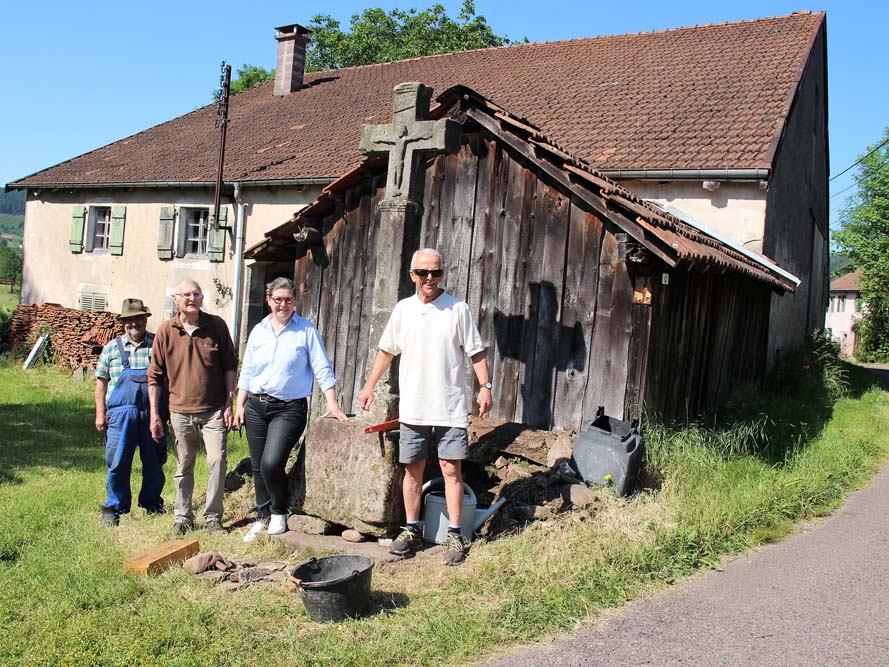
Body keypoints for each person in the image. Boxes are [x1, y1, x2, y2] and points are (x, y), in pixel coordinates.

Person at [357, 248, 492, 566]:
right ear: (412, 275)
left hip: (449, 405)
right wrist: (369, 386)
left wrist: (485, 387)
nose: (430, 278)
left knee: (451, 469)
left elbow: (476, 352)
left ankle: (455, 534)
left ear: (442, 273)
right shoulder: (403, 310)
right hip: (414, 405)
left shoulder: (457, 308)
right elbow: (386, 351)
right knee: (412, 469)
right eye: (423, 272)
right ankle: (411, 529)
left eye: (436, 272)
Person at [234, 277, 349, 542]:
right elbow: (248, 369)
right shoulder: (259, 330)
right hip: (256, 406)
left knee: (271, 462)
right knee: (257, 466)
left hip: (289, 409)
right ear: (269, 300)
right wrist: (239, 404)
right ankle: (262, 517)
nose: (283, 304)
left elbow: (322, 366)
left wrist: (331, 402)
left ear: (295, 301)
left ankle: (279, 511)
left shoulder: (306, 331)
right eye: (278, 299)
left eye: (288, 300)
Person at [148, 278, 238, 534]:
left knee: (217, 461)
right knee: (184, 464)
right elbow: (154, 376)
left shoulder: (216, 326)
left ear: (202, 297)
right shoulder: (166, 331)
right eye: (186, 294)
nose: (192, 299)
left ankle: (213, 518)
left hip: (214, 410)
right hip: (180, 410)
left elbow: (230, 365)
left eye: (196, 294)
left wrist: (229, 402)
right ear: (175, 299)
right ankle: (183, 517)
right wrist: (155, 414)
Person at [95, 298, 167, 526]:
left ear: (145, 320)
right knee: (117, 462)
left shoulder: (158, 345)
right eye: (129, 320)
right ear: (123, 323)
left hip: (152, 413)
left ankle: (152, 503)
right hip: (120, 416)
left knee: (154, 462)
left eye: (138, 318)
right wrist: (100, 413)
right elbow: (101, 383)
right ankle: (114, 507)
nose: (133, 323)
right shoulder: (111, 348)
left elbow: (170, 379)